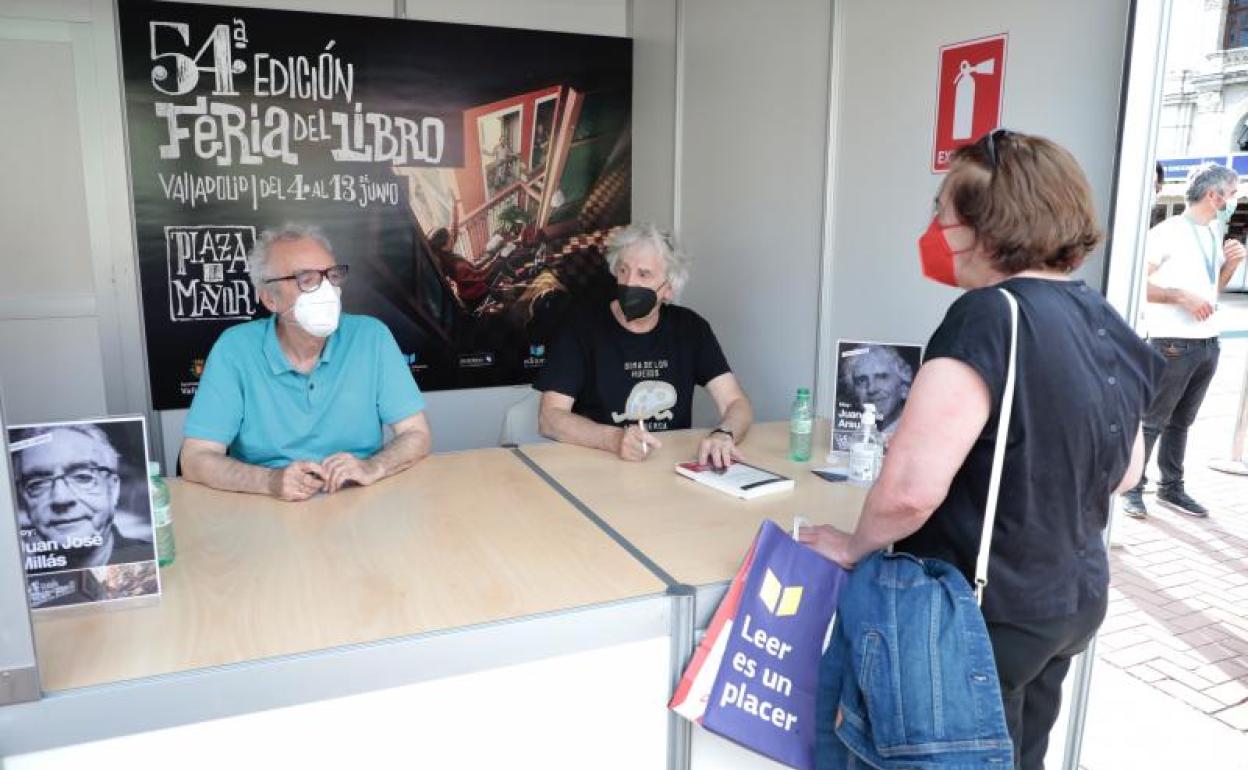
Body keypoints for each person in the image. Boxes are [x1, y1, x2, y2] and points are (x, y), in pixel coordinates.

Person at [799, 130, 1160, 770]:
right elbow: (1126, 471)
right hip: (1067, 604)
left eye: (942, 211)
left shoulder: (989, 315)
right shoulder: (1102, 316)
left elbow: (911, 490)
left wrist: (851, 546)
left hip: (980, 615)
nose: (934, 227)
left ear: (983, 227)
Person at [181, 224, 432, 502]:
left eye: (331, 276)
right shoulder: (235, 349)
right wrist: (271, 481)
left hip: (358, 499)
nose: (326, 290)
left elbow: (416, 434)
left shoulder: (371, 337)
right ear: (269, 298)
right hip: (265, 506)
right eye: (306, 279)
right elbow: (195, 458)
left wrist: (373, 467)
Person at [535, 223, 753, 468]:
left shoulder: (690, 329)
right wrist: (615, 439)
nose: (629, 283)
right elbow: (550, 418)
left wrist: (724, 434)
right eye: (623, 270)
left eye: (644, 274)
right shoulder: (581, 327)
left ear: (668, 288)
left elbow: (736, 402)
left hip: (669, 466)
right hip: (599, 465)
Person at [1121, 162, 1247, 519]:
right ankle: (1133, 488)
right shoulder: (1167, 232)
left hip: (1207, 343)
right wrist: (1180, 296)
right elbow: (1136, 286)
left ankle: (1171, 487)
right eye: (1232, 193)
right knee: (1152, 420)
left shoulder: (1211, 233)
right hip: (1171, 342)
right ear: (1214, 195)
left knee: (1182, 421)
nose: (1233, 200)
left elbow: (1212, 292)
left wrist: (1231, 265)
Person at [11, 424, 155, 571]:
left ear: (113, 488)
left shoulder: (150, 564)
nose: (61, 498)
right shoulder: (17, 578)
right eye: (38, 484)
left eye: (83, 477)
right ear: (24, 499)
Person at [838, 344, 914, 436]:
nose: (871, 389)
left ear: (904, 388)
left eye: (881, 377)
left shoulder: (915, 436)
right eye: (862, 380)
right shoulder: (847, 435)